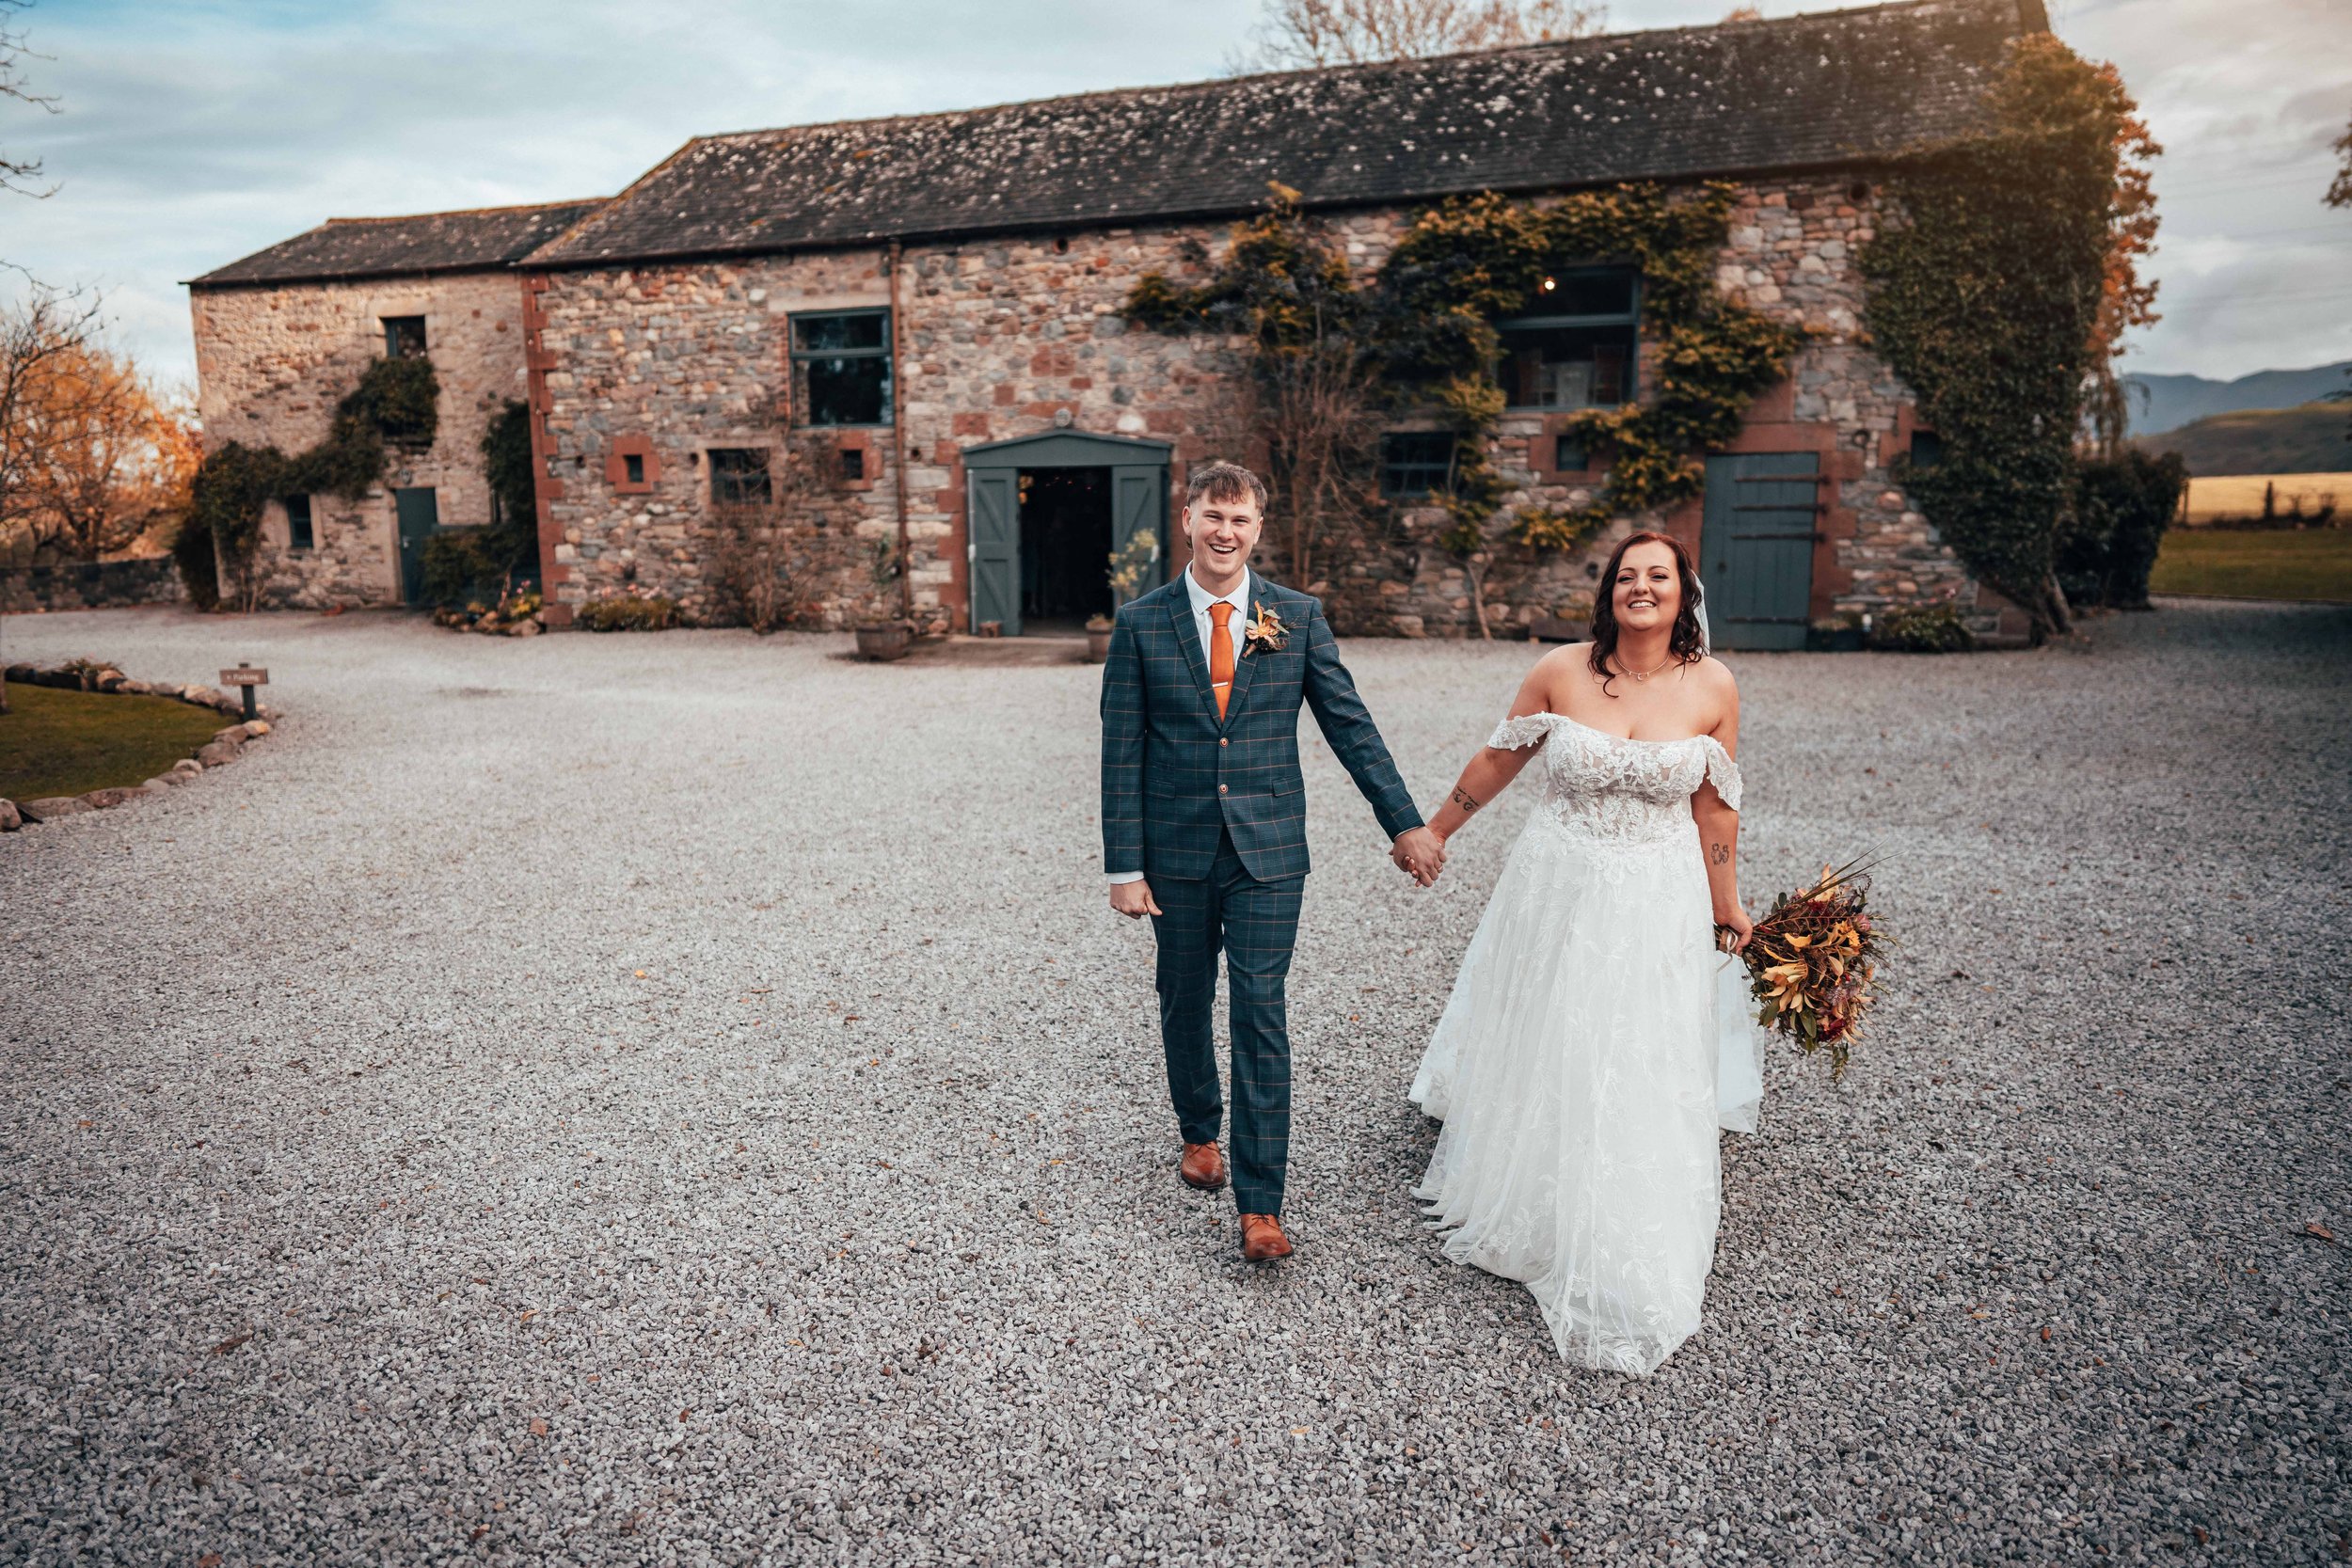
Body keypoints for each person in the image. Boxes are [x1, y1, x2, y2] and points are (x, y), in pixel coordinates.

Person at [1406, 530, 1753, 1373]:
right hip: (1557, 879)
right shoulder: (1561, 671)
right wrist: (1435, 829)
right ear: (1609, 593)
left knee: (1637, 1036)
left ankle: (1624, 1189)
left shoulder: (1714, 686)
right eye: (1627, 576)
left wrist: (1727, 902)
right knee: (1551, 1018)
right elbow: (1499, 759)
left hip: (1656, 891)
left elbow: (1714, 809)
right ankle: (1526, 1169)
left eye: (1658, 576)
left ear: (1683, 592)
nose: (1642, 587)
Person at [1100, 460, 1446, 1263]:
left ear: (1259, 528)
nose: (1226, 531)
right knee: (1185, 997)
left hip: (1269, 854)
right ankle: (1198, 1128)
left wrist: (1405, 824)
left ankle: (1262, 1205)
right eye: (1212, 515)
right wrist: (1124, 866)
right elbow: (1121, 753)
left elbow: (1350, 726)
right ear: (1186, 518)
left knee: (1260, 1011)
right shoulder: (1141, 623)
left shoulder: (1296, 616)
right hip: (1175, 852)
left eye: (1241, 520)